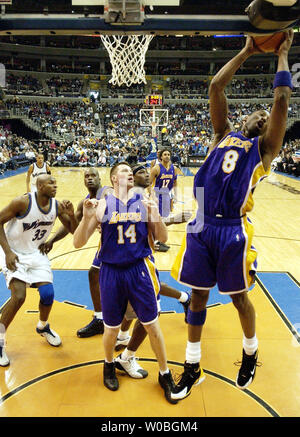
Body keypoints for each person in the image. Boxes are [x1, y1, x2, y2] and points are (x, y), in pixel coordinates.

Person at [169, 30, 294, 401]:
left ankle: (251, 352)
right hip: (202, 225)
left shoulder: (266, 149)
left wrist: (282, 54)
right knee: (197, 299)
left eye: (265, 116)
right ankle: (192, 367)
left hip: (233, 230)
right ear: (244, 118)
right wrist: (245, 51)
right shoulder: (221, 133)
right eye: (257, 113)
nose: (263, 116)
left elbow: (283, 98)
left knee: (239, 298)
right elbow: (215, 87)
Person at [73, 162, 177, 404]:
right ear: (112, 179)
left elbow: (162, 238)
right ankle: (108, 365)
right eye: (123, 170)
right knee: (111, 329)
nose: (129, 173)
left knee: (152, 325)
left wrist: (156, 216)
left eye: (131, 171)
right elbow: (78, 242)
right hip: (111, 272)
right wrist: (87, 217)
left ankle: (165, 374)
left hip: (138, 269)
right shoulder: (102, 205)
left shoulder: (144, 202)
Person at [113, 164, 191, 379]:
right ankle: (126, 355)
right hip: (132, 263)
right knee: (149, 312)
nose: (145, 174)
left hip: (136, 260)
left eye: (145, 172)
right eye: (138, 172)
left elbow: (153, 224)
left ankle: (122, 337)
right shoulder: (126, 198)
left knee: (138, 309)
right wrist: (177, 219)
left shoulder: (142, 197)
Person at [0, 174, 77, 366]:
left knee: (48, 294)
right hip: (14, 252)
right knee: (19, 296)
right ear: (39, 186)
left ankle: (43, 326)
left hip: (35, 253)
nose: (55, 185)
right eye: (51, 183)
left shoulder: (57, 206)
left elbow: (74, 230)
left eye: (56, 183)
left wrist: (71, 215)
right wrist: (7, 251)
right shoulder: (22, 202)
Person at [41, 167, 112, 338]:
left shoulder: (107, 192)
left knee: (126, 282)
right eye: (86, 176)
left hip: (121, 243)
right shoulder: (85, 201)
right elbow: (74, 230)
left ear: (99, 178)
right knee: (94, 274)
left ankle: (116, 322)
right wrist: (52, 239)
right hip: (107, 244)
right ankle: (101, 319)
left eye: (92, 175)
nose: (89, 178)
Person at [149, 148, 182, 252]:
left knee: (164, 219)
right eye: (165, 154)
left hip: (167, 195)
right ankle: (153, 241)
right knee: (156, 220)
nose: (167, 156)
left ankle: (159, 240)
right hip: (157, 194)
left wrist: (175, 195)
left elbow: (175, 182)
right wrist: (151, 195)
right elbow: (148, 183)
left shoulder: (174, 168)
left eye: (168, 154)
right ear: (161, 157)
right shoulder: (156, 168)